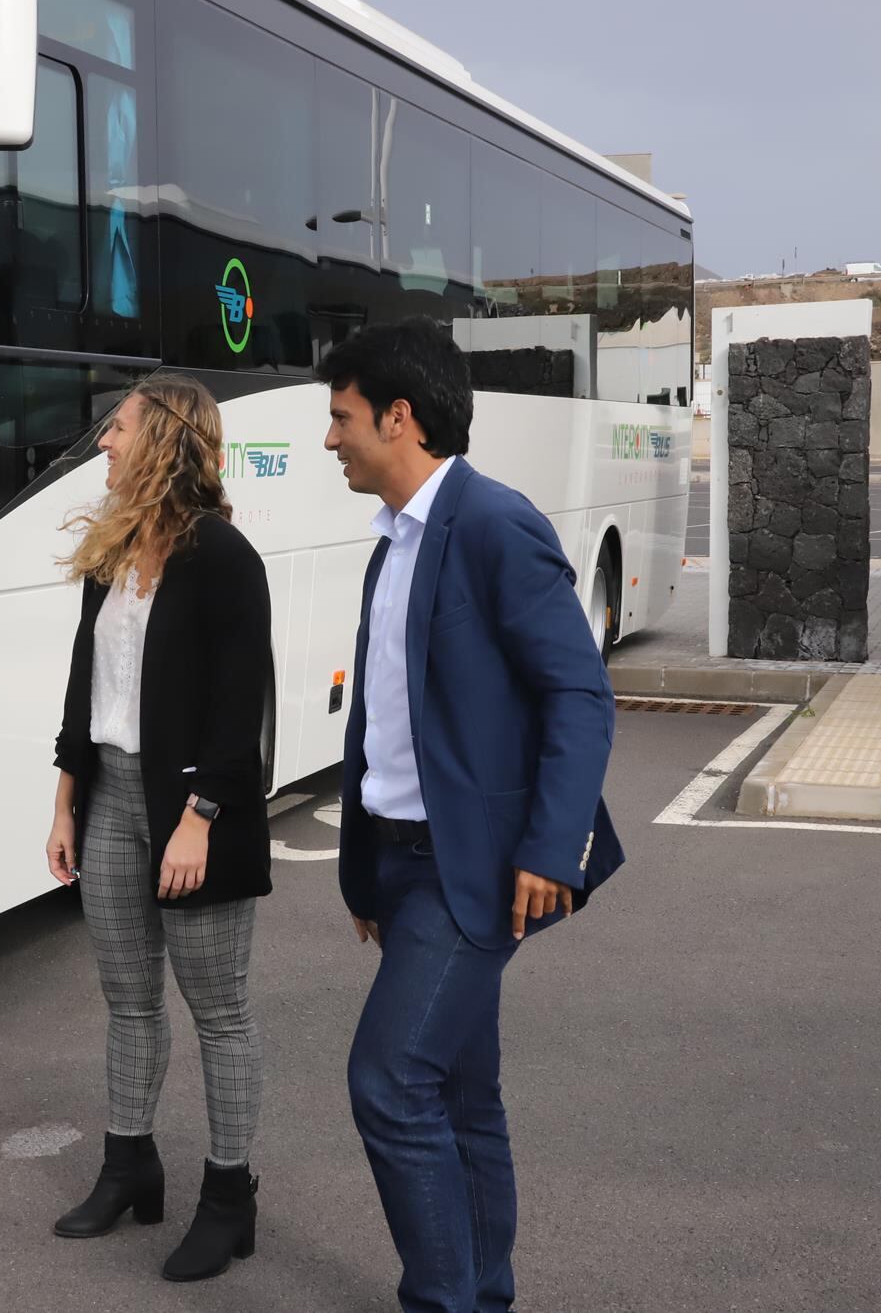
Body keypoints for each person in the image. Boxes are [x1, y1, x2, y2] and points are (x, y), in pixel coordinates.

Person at [321, 319, 624, 1313]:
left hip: (476, 869)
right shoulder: (389, 545)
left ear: (396, 417)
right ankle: (482, 1292)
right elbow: (386, 721)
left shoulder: (493, 523)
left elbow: (577, 692)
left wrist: (549, 845)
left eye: (341, 416)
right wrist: (364, 872)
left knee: (386, 1080)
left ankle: (442, 1302)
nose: (330, 438)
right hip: (404, 868)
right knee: (457, 1093)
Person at [46, 374, 274, 1283]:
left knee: (219, 1011)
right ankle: (129, 1162)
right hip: (110, 796)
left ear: (166, 439)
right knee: (128, 999)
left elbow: (238, 711)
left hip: (191, 811)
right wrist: (64, 800)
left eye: (120, 427)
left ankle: (230, 1196)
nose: (104, 441)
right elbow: (82, 686)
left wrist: (200, 820)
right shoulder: (112, 551)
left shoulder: (224, 557)